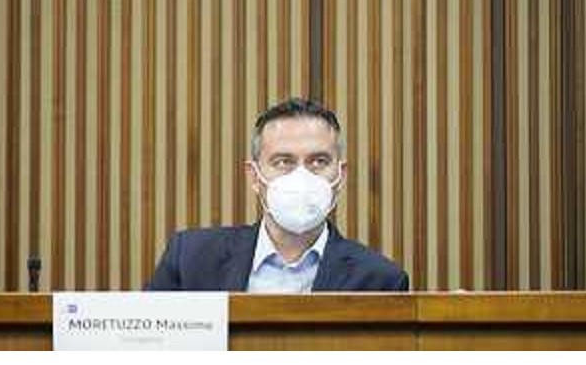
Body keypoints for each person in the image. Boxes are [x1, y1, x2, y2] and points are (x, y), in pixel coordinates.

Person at [145, 98, 409, 292]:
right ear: (254, 177)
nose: (301, 176)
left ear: (341, 175)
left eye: (318, 161)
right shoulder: (190, 259)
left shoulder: (381, 280)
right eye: (283, 162)